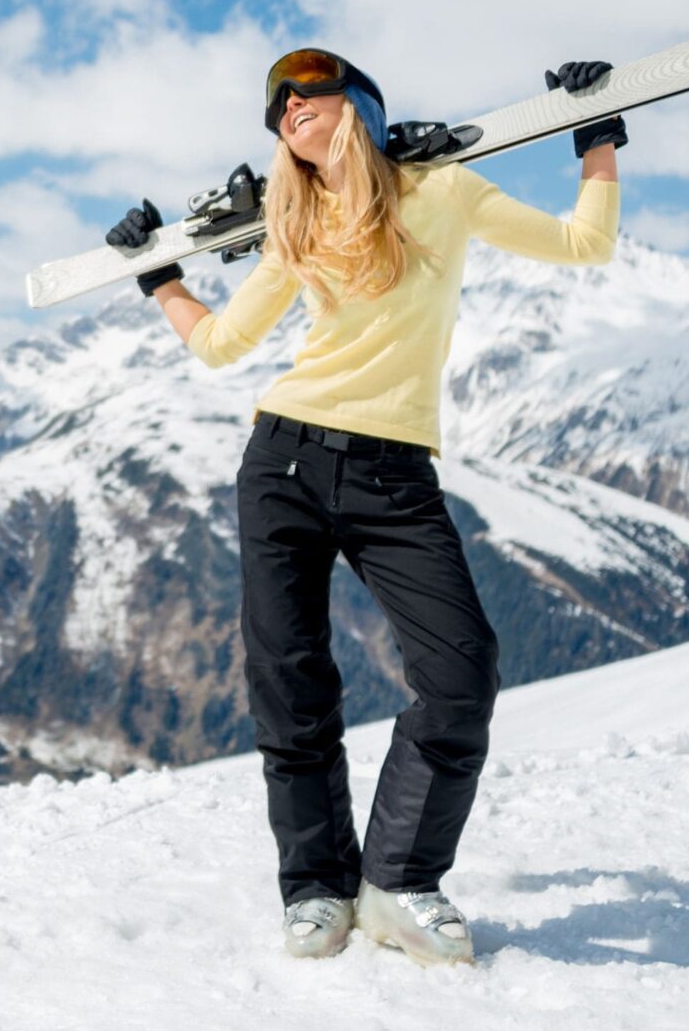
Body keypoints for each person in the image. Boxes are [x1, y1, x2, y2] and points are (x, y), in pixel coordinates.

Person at [108, 49, 625, 966]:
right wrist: (163, 281)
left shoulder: (444, 191)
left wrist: (598, 132)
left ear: (360, 105)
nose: (290, 110)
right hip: (283, 464)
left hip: (395, 476)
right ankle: (314, 887)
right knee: (291, 688)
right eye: (279, 112)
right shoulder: (294, 226)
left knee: (463, 673)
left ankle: (397, 879)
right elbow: (224, 344)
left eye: (309, 94)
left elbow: (585, 243)